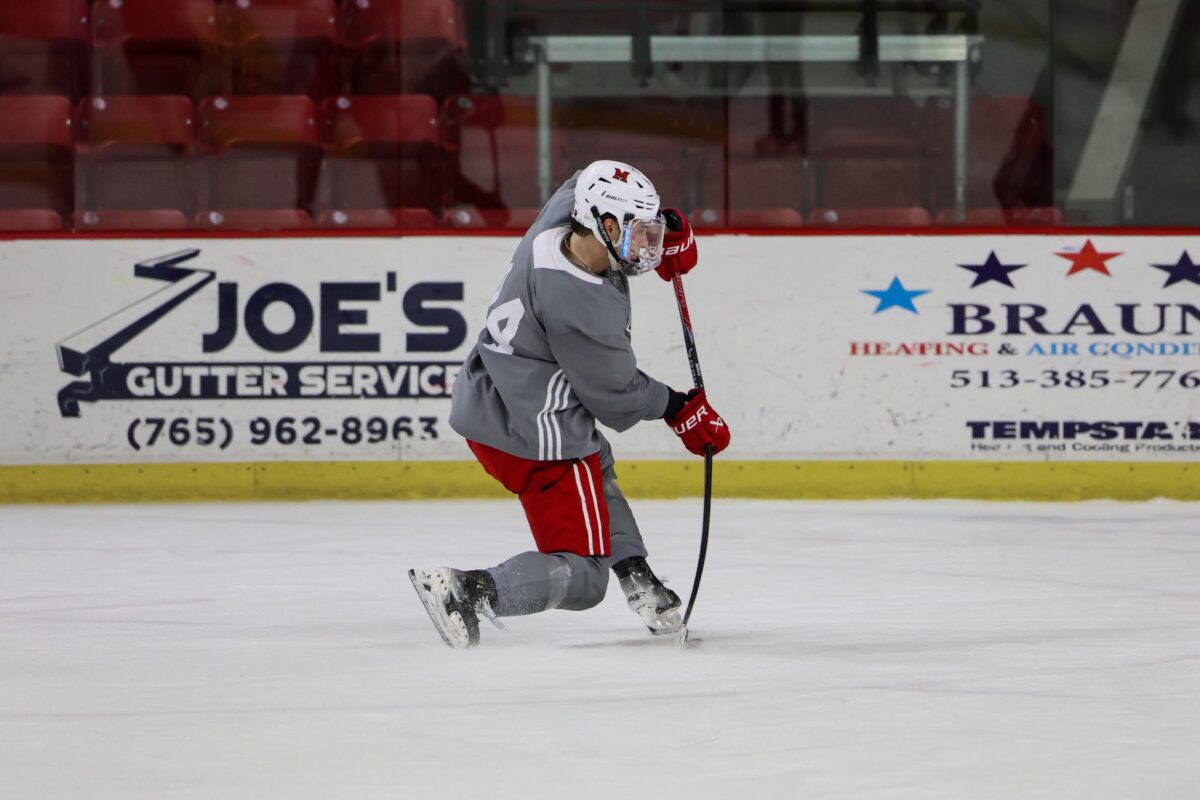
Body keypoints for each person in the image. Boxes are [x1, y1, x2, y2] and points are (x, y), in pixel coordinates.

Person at [409, 160, 731, 649]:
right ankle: (469, 590)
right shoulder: (584, 306)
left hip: (487, 400)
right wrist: (678, 408)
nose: (648, 248)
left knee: (596, 464)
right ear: (603, 226)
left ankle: (636, 573)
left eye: (651, 234)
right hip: (537, 436)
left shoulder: (560, 220)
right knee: (583, 577)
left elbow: (588, 177)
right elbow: (616, 395)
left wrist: (665, 230)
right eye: (638, 234)